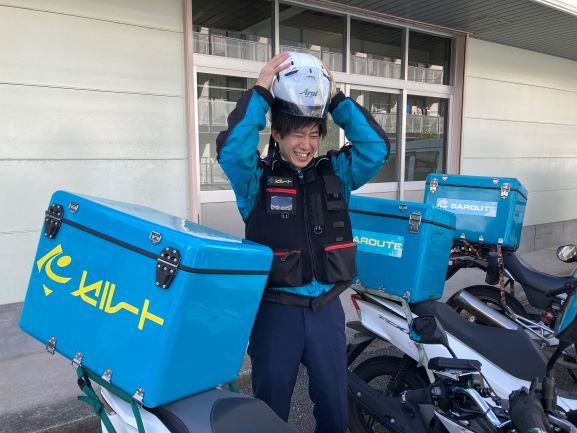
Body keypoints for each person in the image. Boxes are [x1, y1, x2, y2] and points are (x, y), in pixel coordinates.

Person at [216, 51, 389, 433]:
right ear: (277, 134)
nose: (306, 144)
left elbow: (376, 148)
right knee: (269, 412)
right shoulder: (255, 180)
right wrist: (262, 91)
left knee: (335, 410)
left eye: (313, 134)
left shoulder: (336, 172)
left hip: (326, 310)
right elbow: (231, 150)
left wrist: (336, 100)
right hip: (275, 314)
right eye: (297, 133)